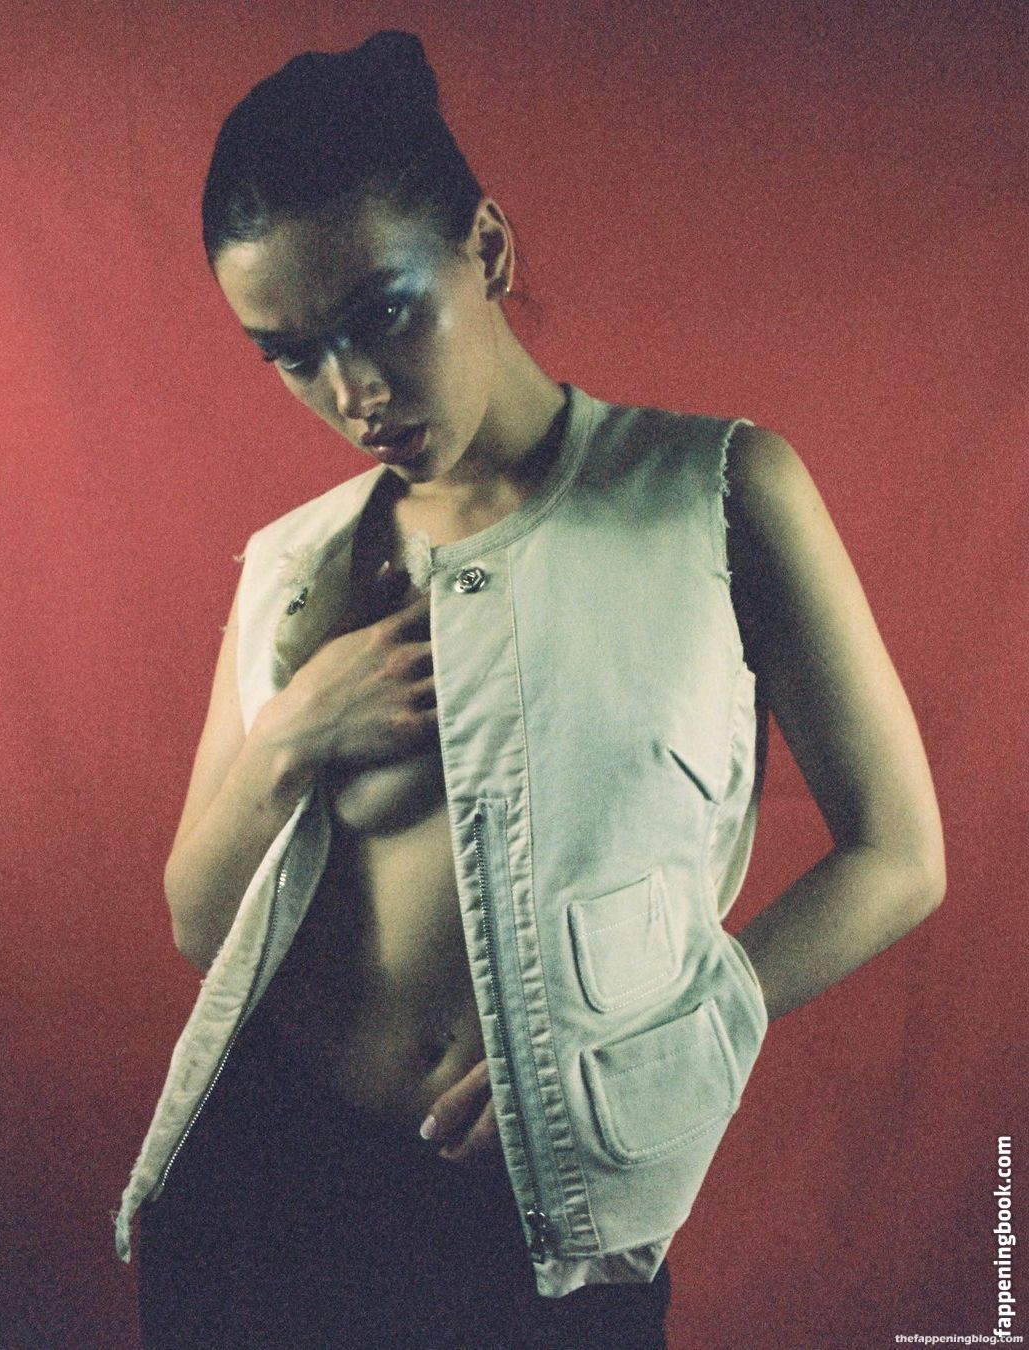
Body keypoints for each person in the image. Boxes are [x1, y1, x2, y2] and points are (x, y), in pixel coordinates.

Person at [117, 29, 946, 1349]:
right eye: (292, 351)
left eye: (384, 314)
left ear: (488, 248)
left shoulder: (714, 494)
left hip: (544, 1210)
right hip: (266, 1194)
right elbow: (198, 918)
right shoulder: (296, 565)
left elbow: (900, 857)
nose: (352, 391)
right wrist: (295, 733)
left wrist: (637, 1055)